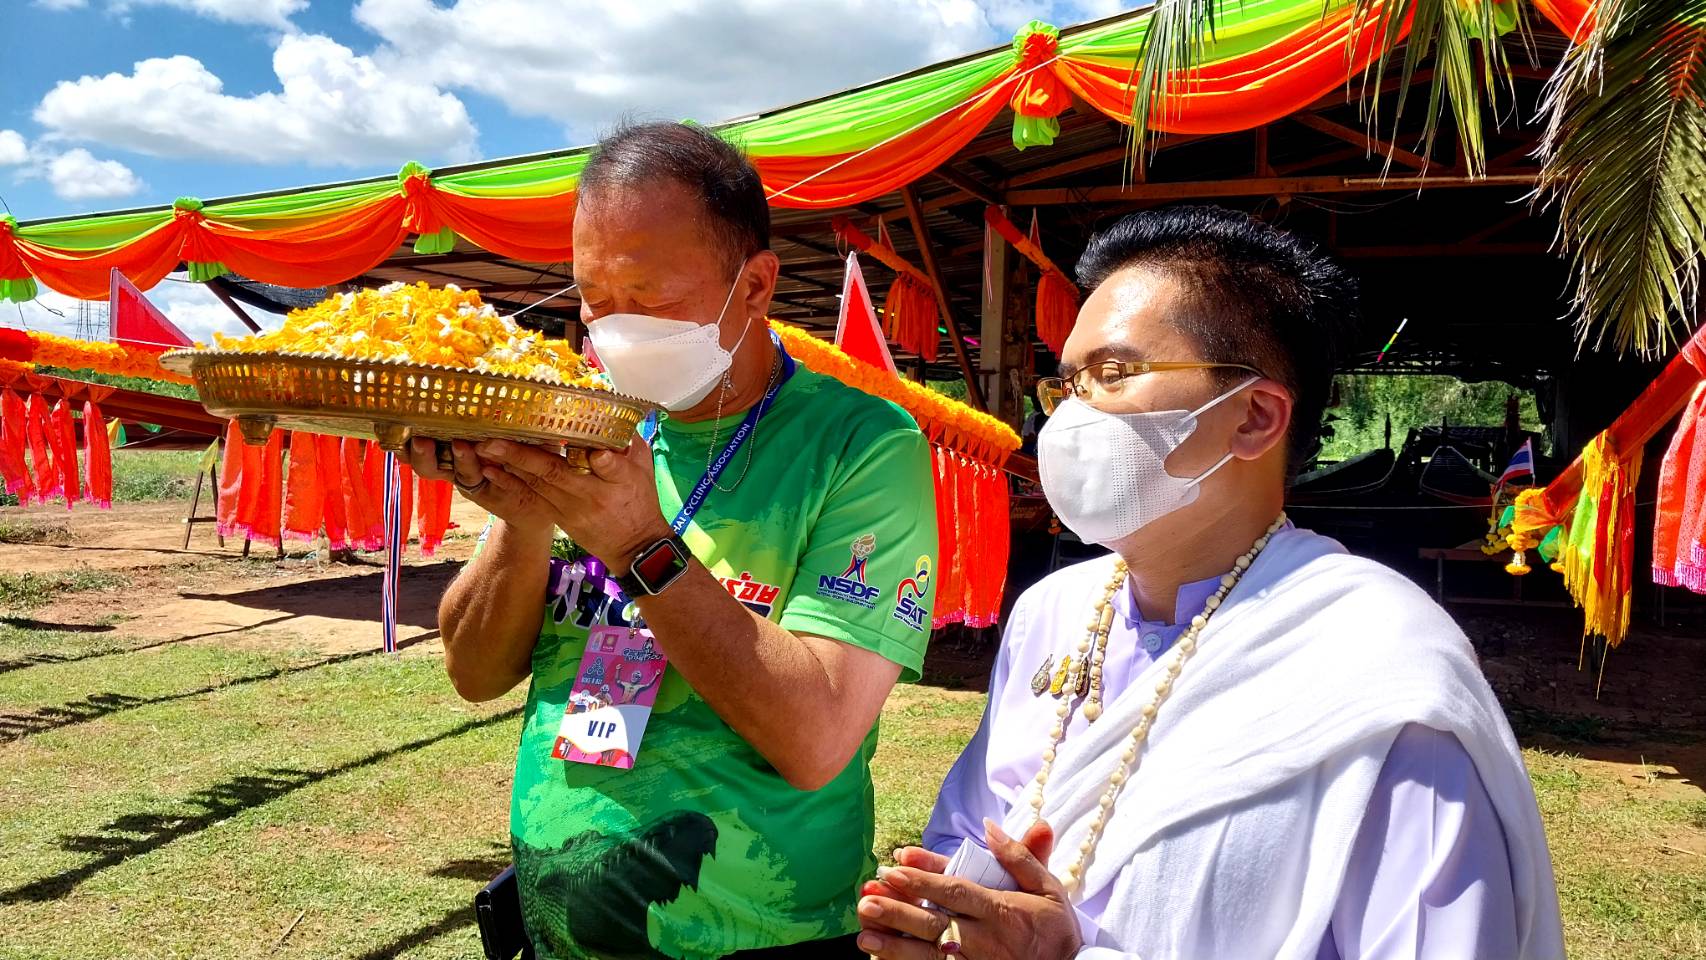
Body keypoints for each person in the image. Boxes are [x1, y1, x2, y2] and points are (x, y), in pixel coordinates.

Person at [855, 206, 1564, 960]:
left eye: (1114, 374)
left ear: (1254, 417)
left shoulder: (1382, 671)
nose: (1067, 419)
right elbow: (967, 830)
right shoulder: (1051, 613)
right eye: (1066, 386)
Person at [408, 121, 938, 959]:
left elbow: (816, 738)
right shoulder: (582, 418)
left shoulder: (863, 446)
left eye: (648, 297)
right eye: (592, 297)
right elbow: (475, 673)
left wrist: (635, 543)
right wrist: (523, 509)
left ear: (755, 286)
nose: (613, 330)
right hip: (557, 928)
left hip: (767, 939)